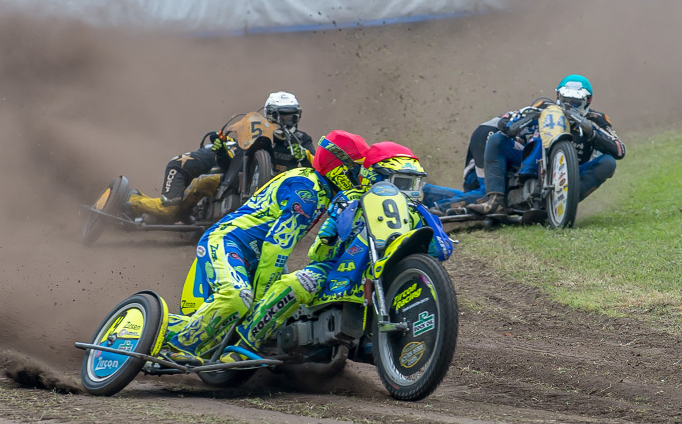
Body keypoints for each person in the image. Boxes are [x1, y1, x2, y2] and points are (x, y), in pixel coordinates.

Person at [218, 141, 454, 364]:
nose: (408, 191)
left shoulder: (418, 211)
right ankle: (246, 345)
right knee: (292, 285)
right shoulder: (350, 198)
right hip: (333, 269)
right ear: (378, 178)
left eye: (414, 184)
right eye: (402, 183)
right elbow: (319, 253)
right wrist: (330, 237)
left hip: (382, 271)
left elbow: (440, 250)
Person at [160, 130, 371, 363]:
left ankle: (166, 327)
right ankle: (174, 348)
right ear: (338, 166)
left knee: (276, 304)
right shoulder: (308, 189)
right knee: (238, 297)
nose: (361, 177)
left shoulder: (323, 191)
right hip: (228, 240)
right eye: (357, 169)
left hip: (255, 254)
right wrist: (263, 299)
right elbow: (276, 245)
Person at [125, 91, 315, 224]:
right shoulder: (256, 134)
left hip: (281, 194)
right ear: (270, 115)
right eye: (282, 117)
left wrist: (305, 156)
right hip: (232, 182)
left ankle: (179, 213)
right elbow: (234, 164)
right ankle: (131, 199)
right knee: (173, 207)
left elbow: (318, 169)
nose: (286, 122)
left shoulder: (303, 139)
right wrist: (222, 151)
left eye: (290, 117)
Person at [467, 74, 626, 215]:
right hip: (527, 159)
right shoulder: (544, 105)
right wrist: (520, 121)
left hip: (570, 175)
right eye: (566, 100)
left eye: (575, 102)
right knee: (496, 139)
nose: (569, 106)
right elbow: (507, 120)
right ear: (558, 96)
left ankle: (561, 205)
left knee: (608, 162)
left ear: (588, 101)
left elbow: (619, 150)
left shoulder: (597, 119)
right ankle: (495, 200)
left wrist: (592, 133)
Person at [423, 117, 501, 216]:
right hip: (495, 131)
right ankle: (441, 206)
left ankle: (424, 192)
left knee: (473, 194)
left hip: (488, 130)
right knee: (491, 193)